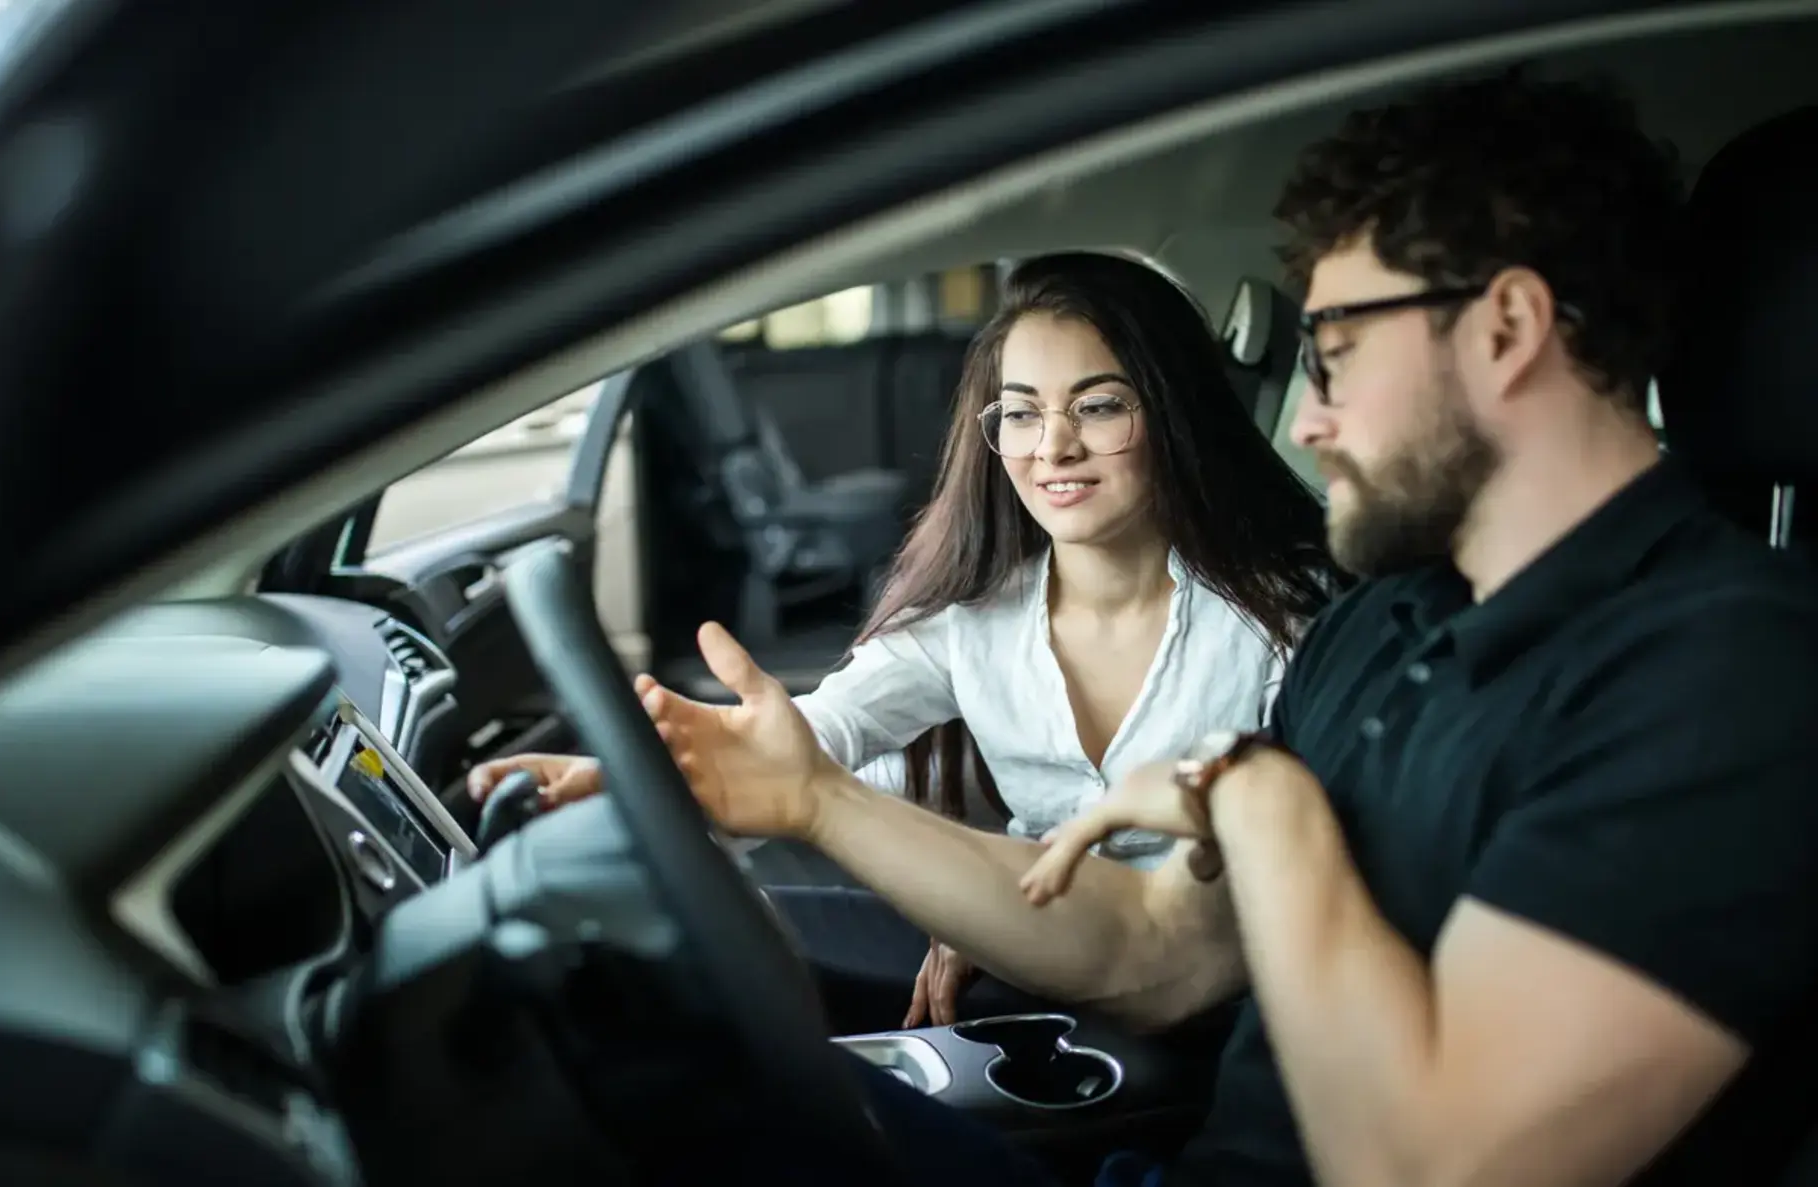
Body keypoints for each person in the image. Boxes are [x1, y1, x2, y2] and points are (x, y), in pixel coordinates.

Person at [579, 70, 1818, 1187]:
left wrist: (1258, 797)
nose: (1312, 418)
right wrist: (811, 799)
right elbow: (1158, 948)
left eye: (1333, 348)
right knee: (653, 1078)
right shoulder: (1387, 622)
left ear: (1505, 328)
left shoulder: (1725, 674)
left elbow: (1430, 1164)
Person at [471, 250, 1338, 1034]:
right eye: (1022, 414)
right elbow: (822, 732)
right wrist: (640, 787)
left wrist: (989, 909)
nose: (1054, 448)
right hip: (1033, 971)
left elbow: (1232, 920)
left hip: (1219, 1011)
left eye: (1100, 406)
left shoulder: (1283, 621)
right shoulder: (974, 617)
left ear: (1175, 411)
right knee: (691, 946)